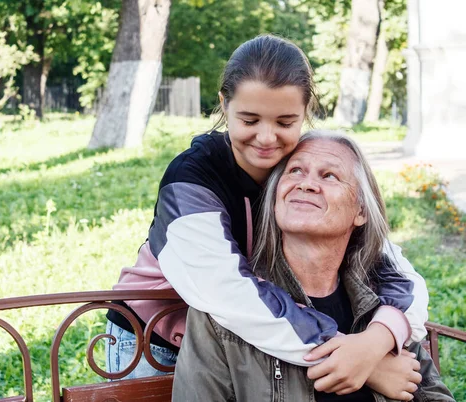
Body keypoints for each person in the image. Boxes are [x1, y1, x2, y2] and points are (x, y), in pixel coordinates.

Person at [105, 34, 429, 390]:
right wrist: (358, 362)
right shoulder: (192, 180)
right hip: (154, 340)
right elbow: (227, 293)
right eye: (249, 120)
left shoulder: (300, 169)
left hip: (259, 336)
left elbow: (396, 271)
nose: (266, 137)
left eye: (285, 122)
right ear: (224, 105)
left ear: (306, 113)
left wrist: (376, 340)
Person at [172, 131, 455, 402]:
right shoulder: (224, 308)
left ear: (361, 211)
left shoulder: (383, 301)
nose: (305, 184)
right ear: (274, 197)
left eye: (329, 175)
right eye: (295, 171)